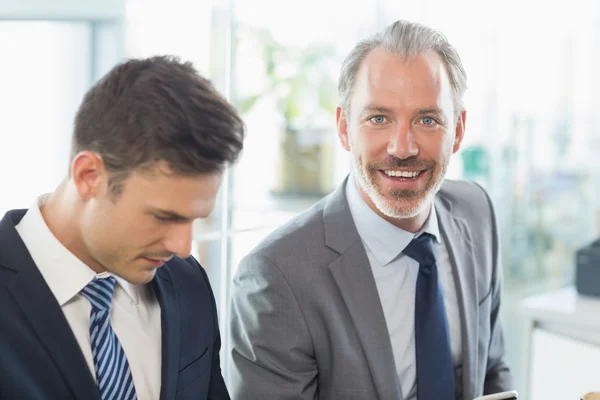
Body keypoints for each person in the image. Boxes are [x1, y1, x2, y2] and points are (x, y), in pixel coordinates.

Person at [229, 20, 513, 400]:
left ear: (458, 130)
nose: (402, 147)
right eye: (379, 118)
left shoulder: (476, 213)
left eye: (427, 119)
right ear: (344, 128)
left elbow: (493, 368)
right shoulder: (276, 277)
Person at [0, 56, 244, 400]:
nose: (183, 247)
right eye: (164, 216)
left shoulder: (188, 283)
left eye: (194, 219)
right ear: (89, 176)